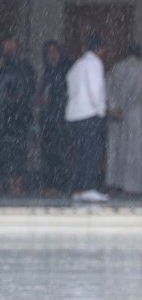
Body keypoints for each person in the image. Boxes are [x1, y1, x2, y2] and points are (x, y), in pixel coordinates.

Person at [65, 35, 108, 202]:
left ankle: (78, 188)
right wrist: (101, 110)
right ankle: (88, 187)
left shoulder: (78, 64)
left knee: (79, 153)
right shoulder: (95, 63)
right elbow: (95, 89)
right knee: (91, 152)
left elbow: (69, 83)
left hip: (74, 114)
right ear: (99, 49)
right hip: (89, 113)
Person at [0, 36, 35, 195]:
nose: (11, 48)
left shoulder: (25, 67)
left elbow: (30, 87)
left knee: (21, 150)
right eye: (7, 45)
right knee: (8, 151)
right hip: (6, 115)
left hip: (21, 114)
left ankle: (19, 184)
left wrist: (22, 98)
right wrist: (9, 98)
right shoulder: (0, 67)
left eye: (13, 45)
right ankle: (11, 184)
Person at [106, 44, 142, 195]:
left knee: (117, 150)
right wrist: (130, 104)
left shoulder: (117, 68)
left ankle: (115, 182)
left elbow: (108, 88)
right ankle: (134, 185)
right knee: (135, 151)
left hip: (117, 115)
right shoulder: (140, 68)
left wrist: (115, 106)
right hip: (136, 114)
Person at [37, 40, 72, 193]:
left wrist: (54, 101)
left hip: (60, 116)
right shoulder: (45, 70)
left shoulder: (65, 69)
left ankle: (59, 184)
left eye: (54, 50)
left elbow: (66, 92)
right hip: (46, 118)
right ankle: (49, 184)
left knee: (60, 152)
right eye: (48, 51)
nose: (52, 54)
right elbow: (39, 91)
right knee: (47, 152)